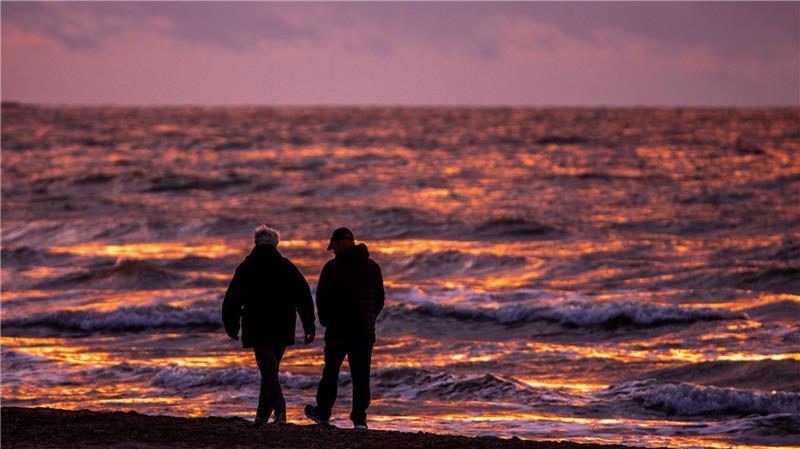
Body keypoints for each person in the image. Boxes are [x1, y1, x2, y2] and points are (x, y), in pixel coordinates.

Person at [222, 225, 315, 425]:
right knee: (270, 369)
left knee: (268, 369)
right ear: (276, 244)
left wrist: (231, 325)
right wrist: (309, 325)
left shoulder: (247, 266)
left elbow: (232, 299)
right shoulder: (286, 266)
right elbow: (304, 296)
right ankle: (262, 416)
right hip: (283, 324)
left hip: (257, 325)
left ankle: (280, 411)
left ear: (256, 243)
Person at [305, 227, 385, 430]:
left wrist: (326, 321)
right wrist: (368, 318)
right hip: (364, 331)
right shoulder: (373, 267)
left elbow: (322, 299)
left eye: (333, 248)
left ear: (339, 244)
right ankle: (359, 419)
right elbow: (379, 299)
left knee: (331, 372)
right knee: (361, 376)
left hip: (338, 331)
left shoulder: (332, 268)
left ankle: (323, 413)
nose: (333, 252)